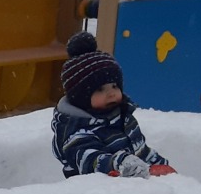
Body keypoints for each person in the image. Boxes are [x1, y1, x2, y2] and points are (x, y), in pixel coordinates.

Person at [51, 30, 175, 179]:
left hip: (132, 183)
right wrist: (118, 163)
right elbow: (91, 160)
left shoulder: (123, 117)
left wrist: (160, 165)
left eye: (115, 86)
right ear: (81, 98)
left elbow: (141, 150)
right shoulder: (78, 131)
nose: (111, 93)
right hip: (97, 189)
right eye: (100, 89)